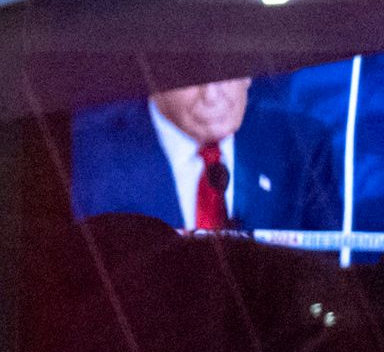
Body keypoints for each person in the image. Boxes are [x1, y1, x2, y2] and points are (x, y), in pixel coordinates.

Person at [68, 77, 341, 236]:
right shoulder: (89, 155)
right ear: (153, 78)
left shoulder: (300, 143)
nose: (211, 96)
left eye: (226, 73)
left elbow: (325, 272)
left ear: (247, 75)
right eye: (190, 77)